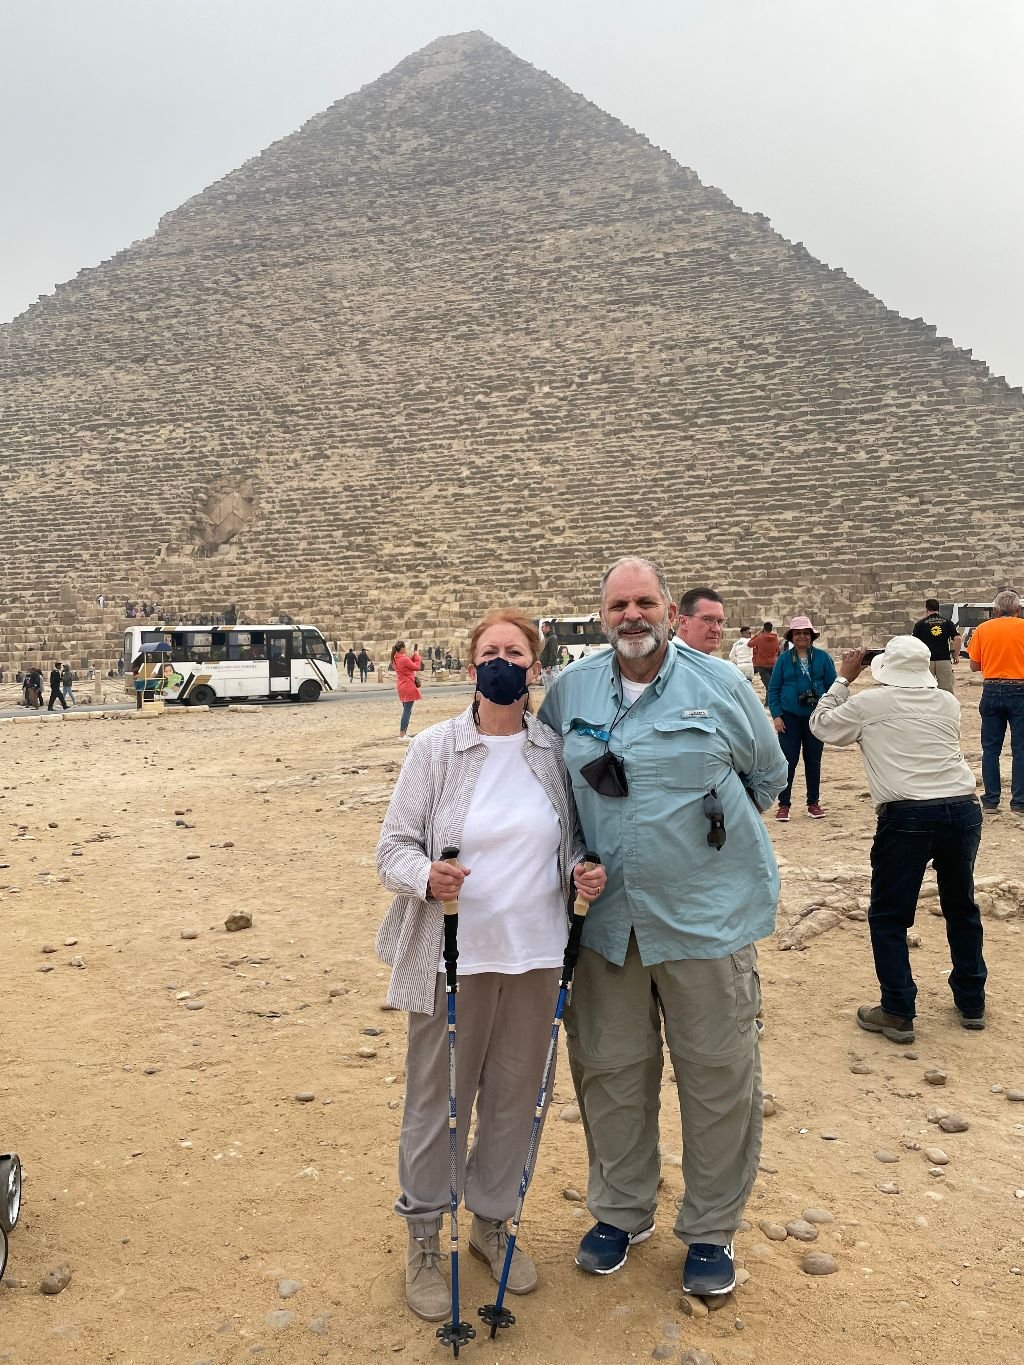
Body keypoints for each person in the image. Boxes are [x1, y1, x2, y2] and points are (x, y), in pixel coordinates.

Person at [539, 557, 787, 1297]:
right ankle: (621, 1209)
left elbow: (765, 774)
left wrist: (698, 843)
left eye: (645, 601)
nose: (632, 615)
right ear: (601, 611)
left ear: (671, 610)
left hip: (706, 920)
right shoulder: (569, 693)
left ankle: (711, 1229)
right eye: (619, 603)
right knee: (611, 1071)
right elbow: (553, 797)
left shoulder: (719, 684)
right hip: (609, 922)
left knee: (718, 1076)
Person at [375, 608, 607, 1321]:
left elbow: (566, 844)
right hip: (453, 958)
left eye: (516, 651)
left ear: (535, 668)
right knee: (437, 1102)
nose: (502, 661)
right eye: (489, 651)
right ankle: (423, 1233)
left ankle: (490, 1220)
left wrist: (581, 873)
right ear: (471, 666)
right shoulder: (437, 750)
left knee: (514, 1097)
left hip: (535, 957)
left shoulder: (551, 751)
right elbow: (394, 848)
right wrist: (428, 877)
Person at [809, 637, 985, 1040]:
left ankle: (897, 1009)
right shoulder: (947, 702)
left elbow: (822, 726)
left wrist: (842, 678)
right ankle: (971, 1000)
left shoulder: (871, 704)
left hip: (907, 814)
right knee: (961, 906)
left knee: (889, 916)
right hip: (961, 807)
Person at [767, 616, 836, 821]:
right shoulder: (784, 659)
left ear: (811, 636)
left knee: (813, 761)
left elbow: (833, 687)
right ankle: (784, 804)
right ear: (792, 637)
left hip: (815, 716)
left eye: (806, 633)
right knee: (788, 761)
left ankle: (813, 803)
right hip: (789, 717)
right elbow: (774, 689)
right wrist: (777, 716)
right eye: (798, 633)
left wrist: (829, 712)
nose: (802, 636)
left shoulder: (823, 658)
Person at [967, 588, 1024, 814]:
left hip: (991, 689)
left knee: (990, 749)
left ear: (995, 610)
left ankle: (991, 800)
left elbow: (973, 665)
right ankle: (1019, 802)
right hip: (1020, 690)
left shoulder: (983, 629)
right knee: (1020, 749)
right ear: (1018, 610)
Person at [912, 598, 961, 693]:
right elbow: (958, 638)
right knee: (946, 690)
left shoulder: (920, 624)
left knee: (926, 689)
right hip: (944, 659)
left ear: (926, 609)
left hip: (926, 660)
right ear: (938, 609)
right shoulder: (947, 623)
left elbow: (914, 642)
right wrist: (956, 655)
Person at [675, 587, 725, 655]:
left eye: (720, 622)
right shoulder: (665, 660)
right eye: (708, 619)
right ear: (684, 622)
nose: (717, 629)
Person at [391, 641, 422, 739]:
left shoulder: (395, 659)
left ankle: (404, 732)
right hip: (408, 686)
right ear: (402, 648)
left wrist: (412, 657)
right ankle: (402, 734)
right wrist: (417, 657)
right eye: (405, 647)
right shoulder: (403, 659)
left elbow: (408, 663)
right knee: (407, 711)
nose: (406, 649)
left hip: (401, 686)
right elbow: (417, 667)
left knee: (406, 710)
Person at [750, 622, 781, 698]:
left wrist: (757, 635)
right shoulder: (775, 638)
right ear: (771, 629)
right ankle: (768, 702)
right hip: (772, 664)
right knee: (770, 683)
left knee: (769, 685)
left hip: (761, 664)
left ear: (764, 628)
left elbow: (749, 644)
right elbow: (777, 650)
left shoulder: (759, 638)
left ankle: (771, 702)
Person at [539, 620, 560, 689]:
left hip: (550, 668)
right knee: (546, 689)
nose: (541, 629)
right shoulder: (546, 638)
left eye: (543, 627)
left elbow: (553, 652)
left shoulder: (552, 638)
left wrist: (550, 666)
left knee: (551, 689)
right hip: (544, 667)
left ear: (548, 627)